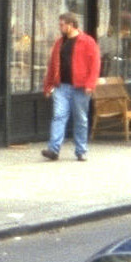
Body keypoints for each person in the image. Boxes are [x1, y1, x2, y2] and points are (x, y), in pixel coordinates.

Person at [42, 12, 100, 162]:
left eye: (62, 25)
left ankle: (81, 150)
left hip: (80, 87)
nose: (60, 27)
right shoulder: (59, 43)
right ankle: (53, 149)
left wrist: (90, 84)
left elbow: (95, 65)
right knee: (58, 116)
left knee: (80, 118)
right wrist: (48, 85)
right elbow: (53, 65)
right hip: (62, 86)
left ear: (71, 25)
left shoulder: (87, 41)